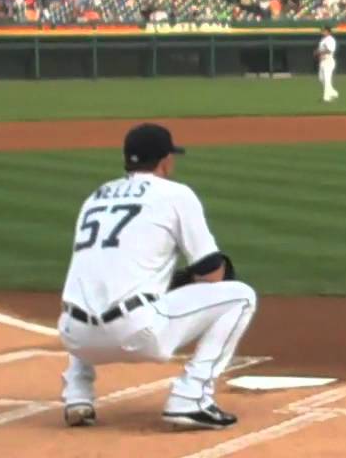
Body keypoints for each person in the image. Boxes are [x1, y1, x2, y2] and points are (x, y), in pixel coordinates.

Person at [58, 123, 256, 430]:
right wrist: (183, 282)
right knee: (241, 296)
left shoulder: (95, 197)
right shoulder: (176, 194)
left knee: (93, 289)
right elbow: (211, 270)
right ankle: (191, 397)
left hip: (76, 338)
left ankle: (78, 395)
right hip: (134, 334)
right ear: (164, 161)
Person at [315, 25, 338, 102]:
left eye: (324, 30)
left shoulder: (331, 40)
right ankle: (333, 92)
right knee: (321, 78)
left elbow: (330, 50)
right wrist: (318, 52)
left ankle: (326, 98)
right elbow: (321, 49)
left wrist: (320, 52)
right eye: (322, 30)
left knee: (327, 79)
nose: (322, 32)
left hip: (328, 60)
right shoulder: (323, 40)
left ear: (328, 31)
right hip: (323, 61)